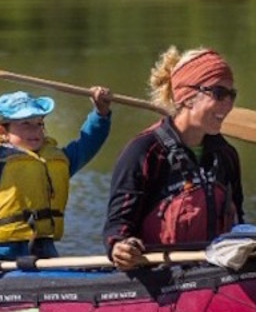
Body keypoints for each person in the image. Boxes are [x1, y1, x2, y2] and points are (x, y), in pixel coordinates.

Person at [103, 46, 245, 269]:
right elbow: (117, 227)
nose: (228, 104)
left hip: (216, 276)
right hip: (162, 281)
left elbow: (239, 224)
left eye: (231, 95)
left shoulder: (226, 155)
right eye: (219, 94)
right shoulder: (144, 152)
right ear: (188, 97)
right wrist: (119, 248)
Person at [0, 58, 112, 266]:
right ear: (1, 131)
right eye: (25, 124)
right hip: (4, 255)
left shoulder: (52, 159)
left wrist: (100, 114)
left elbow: (87, 144)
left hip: (45, 250)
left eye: (39, 123)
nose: (36, 130)